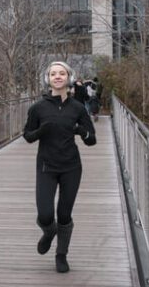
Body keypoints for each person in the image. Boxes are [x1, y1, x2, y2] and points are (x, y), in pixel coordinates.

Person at [23, 60, 96, 273]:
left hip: (71, 167)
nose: (57, 76)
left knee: (64, 214)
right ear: (48, 79)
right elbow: (27, 136)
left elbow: (92, 140)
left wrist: (81, 131)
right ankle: (48, 232)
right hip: (46, 166)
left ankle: (61, 255)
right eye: (53, 73)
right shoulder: (38, 108)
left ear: (68, 78)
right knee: (45, 214)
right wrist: (40, 131)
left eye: (61, 73)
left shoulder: (77, 108)